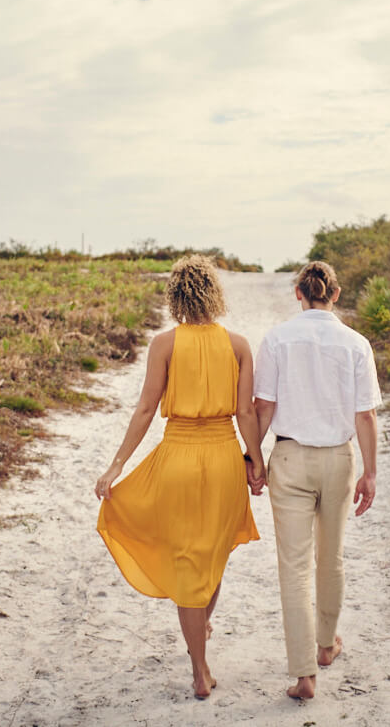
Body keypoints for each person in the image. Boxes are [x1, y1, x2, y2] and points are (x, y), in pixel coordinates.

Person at [94, 254, 266, 700]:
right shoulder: (239, 345)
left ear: (175, 296)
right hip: (225, 455)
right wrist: (256, 461)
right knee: (214, 551)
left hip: (179, 457)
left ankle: (198, 666)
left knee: (191, 558)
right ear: (214, 293)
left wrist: (117, 465)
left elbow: (147, 408)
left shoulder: (165, 345)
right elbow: (246, 412)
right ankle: (200, 643)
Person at [253, 259, 381, 701]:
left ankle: (305, 675)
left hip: (290, 457)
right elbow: (365, 414)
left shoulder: (276, 339)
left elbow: (262, 409)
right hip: (339, 460)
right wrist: (371, 471)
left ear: (298, 294)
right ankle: (327, 646)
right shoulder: (356, 343)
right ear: (336, 294)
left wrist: (253, 458)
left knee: (294, 568)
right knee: (332, 557)